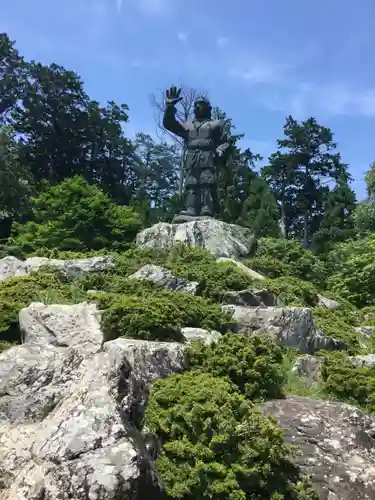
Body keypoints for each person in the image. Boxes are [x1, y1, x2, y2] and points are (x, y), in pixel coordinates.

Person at [163, 86, 231, 220]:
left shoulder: (216, 124)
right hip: (192, 157)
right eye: (195, 105)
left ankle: (207, 208)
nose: (197, 108)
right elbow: (169, 124)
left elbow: (226, 141)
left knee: (207, 182)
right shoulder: (188, 126)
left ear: (208, 108)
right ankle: (191, 208)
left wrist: (220, 150)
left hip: (208, 157)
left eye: (201, 105)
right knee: (191, 182)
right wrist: (169, 107)